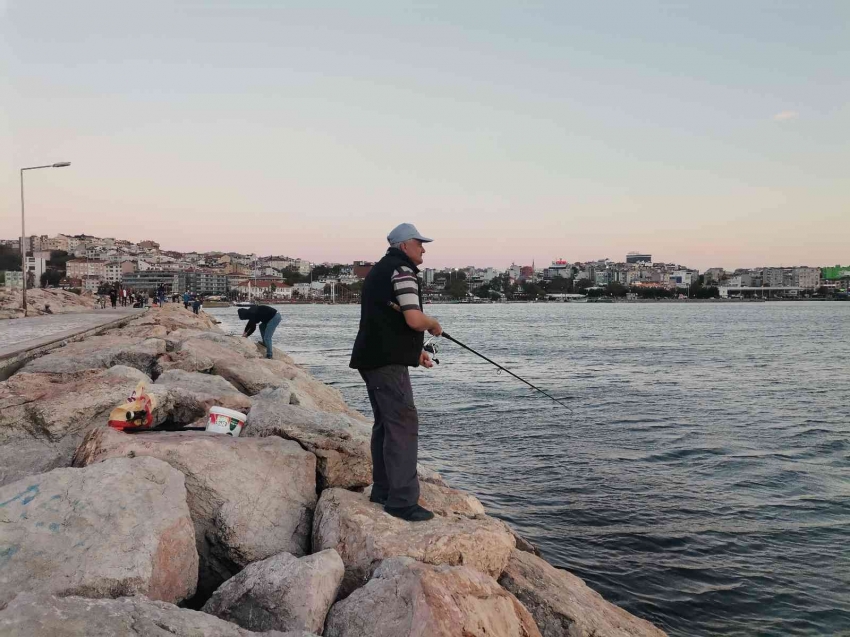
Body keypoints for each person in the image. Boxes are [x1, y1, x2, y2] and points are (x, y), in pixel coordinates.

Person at [349, 223, 442, 522]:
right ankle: (402, 502)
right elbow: (413, 319)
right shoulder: (402, 271)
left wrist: (416, 353)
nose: (423, 248)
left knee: (386, 425)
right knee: (402, 425)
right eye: (419, 243)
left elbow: (388, 321)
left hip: (373, 358)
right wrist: (433, 323)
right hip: (384, 363)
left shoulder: (381, 270)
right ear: (404, 246)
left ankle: (383, 490)